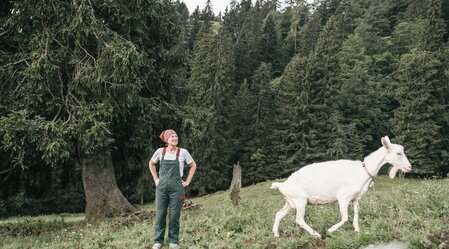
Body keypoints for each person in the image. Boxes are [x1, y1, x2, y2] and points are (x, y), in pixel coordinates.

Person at [149, 129, 197, 249]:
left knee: (174, 216)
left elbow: (193, 165)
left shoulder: (183, 152)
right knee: (160, 215)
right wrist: (156, 179)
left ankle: (173, 241)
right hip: (162, 188)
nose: (175, 138)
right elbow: (151, 163)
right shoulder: (160, 152)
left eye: (176, 136)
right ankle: (158, 241)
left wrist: (187, 181)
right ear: (166, 140)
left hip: (177, 188)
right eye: (172, 137)